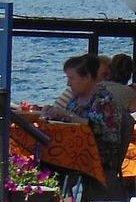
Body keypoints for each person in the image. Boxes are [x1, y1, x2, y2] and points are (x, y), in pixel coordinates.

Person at [45, 52, 128, 187]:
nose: (68, 83)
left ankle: (52, 198)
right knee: (44, 155)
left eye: (71, 78)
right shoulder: (75, 100)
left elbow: (97, 128)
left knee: (50, 160)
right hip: (76, 150)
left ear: (87, 77)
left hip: (98, 154)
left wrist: (67, 115)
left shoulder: (103, 101)